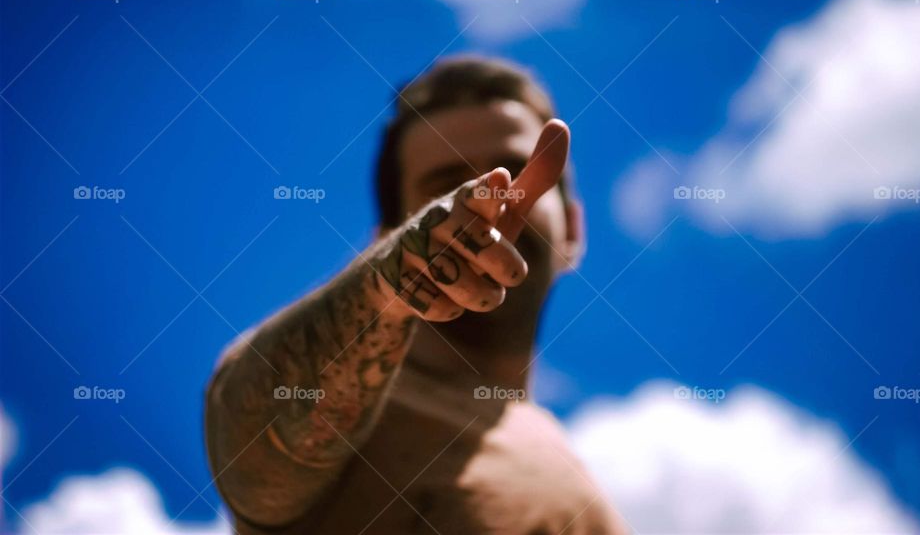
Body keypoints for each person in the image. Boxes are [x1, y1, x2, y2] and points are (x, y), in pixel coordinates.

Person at [204, 56, 628, 534]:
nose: (490, 198)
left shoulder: (585, 489)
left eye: (515, 171)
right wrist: (385, 283)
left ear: (573, 229)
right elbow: (254, 443)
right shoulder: (347, 390)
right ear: (389, 234)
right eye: (446, 187)